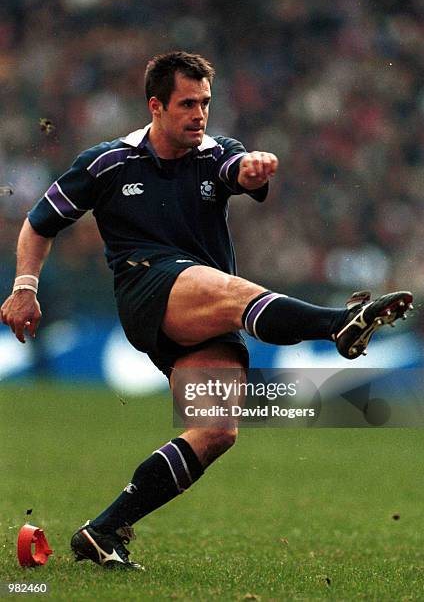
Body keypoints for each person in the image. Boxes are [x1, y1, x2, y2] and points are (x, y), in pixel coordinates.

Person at [1, 51, 413, 569]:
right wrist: (24, 286)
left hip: (204, 312)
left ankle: (104, 530)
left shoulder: (215, 152)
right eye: (188, 104)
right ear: (156, 106)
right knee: (231, 290)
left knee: (216, 431)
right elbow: (40, 222)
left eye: (206, 103)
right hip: (148, 290)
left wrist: (253, 170)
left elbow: (237, 170)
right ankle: (337, 323)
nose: (200, 115)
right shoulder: (107, 162)